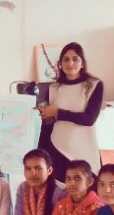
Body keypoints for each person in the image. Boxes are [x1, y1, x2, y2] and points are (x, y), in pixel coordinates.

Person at [37, 42, 104, 182]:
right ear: (60, 64)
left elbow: (89, 118)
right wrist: (40, 152)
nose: (70, 63)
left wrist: (58, 113)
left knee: (87, 191)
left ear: (83, 63)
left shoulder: (94, 85)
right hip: (57, 148)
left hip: (85, 149)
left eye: (75, 59)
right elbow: (47, 125)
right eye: (66, 59)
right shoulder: (53, 88)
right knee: (60, 192)